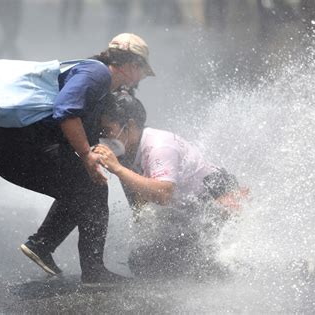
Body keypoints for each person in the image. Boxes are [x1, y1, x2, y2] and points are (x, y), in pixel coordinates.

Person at [0, 33, 154, 285]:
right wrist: (86, 155)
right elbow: (65, 110)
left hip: (15, 149)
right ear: (132, 65)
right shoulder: (97, 73)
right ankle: (93, 272)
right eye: (142, 70)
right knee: (90, 188)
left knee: (85, 185)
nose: (141, 78)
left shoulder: (103, 92)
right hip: (16, 148)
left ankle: (43, 245)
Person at [93, 91, 249, 278]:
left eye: (108, 130)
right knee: (141, 261)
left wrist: (117, 169)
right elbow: (138, 199)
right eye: (101, 131)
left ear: (131, 126)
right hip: (189, 210)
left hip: (215, 200)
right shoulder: (126, 149)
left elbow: (163, 194)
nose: (103, 136)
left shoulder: (160, 147)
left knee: (216, 264)